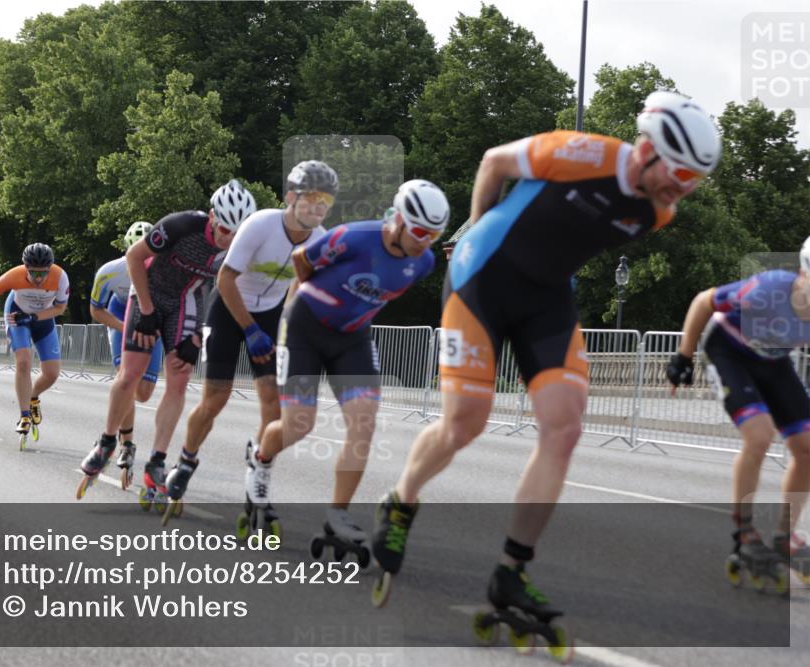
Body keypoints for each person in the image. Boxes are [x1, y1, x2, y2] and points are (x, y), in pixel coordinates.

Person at [371, 91, 721, 628]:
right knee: (465, 421)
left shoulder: (658, 210)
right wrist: (475, 230)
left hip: (546, 298)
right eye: (679, 173)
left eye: (695, 181)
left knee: (564, 426)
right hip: (481, 279)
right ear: (648, 149)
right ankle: (401, 499)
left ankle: (512, 569)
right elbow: (493, 162)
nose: (682, 190)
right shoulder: (583, 154)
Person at [245, 179, 447, 553]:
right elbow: (300, 261)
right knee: (298, 424)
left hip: (351, 339)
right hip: (304, 329)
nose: (425, 241)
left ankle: (338, 513)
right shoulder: (353, 238)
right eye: (419, 231)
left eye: (434, 235)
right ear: (399, 220)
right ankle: (260, 457)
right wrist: (314, 302)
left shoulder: (424, 262)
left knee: (364, 423)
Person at [77, 180, 257, 501]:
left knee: (179, 378)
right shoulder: (182, 225)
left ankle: (157, 461)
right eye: (224, 228)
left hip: (187, 300)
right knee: (130, 374)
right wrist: (145, 310)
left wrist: (199, 336)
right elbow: (134, 257)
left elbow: (228, 292)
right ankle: (106, 442)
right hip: (149, 291)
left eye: (235, 232)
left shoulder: (241, 245)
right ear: (213, 216)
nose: (227, 238)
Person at [170, 161, 335, 508]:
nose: (319, 207)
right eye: (312, 198)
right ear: (291, 197)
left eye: (326, 201)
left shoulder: (320, 240)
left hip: (271, 314)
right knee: (215, 399)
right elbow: (225, 280)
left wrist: (288, 328)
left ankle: (258, 469)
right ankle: (186, 459)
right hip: (228, 309)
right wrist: (250, 329)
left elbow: (302, 287)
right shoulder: (260, 225)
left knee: (274, 402)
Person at [667, 235, 810, 585]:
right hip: (729, 350)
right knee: (759, 436)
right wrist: (683, 357)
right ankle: (744, 532)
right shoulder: (768, 287)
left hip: (773, 362)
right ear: (803, 274)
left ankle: (783, 537)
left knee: (807, 447)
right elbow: (704, 301)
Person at [0, 243, 69, 437]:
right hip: (16, 316)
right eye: (33, 273)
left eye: (43, 273)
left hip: (42, 319)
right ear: (25, 267)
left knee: (52, 374)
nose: (38, 278)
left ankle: (32, 396)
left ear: (50, 268)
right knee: (24, 362)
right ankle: (25, 415)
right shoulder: (14, 275)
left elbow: (60, 309)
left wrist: (34, 317)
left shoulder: (60, 277)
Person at [88, 221, 164, 492]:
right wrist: (124, 328)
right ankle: (126, 442)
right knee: (126, 379)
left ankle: (124, 436)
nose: (145, 259)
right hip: (121, 314)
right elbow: (95, 310)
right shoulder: (111, 271)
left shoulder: (165, 269)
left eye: (151, 253)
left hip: (151, 319)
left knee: (143, 394)